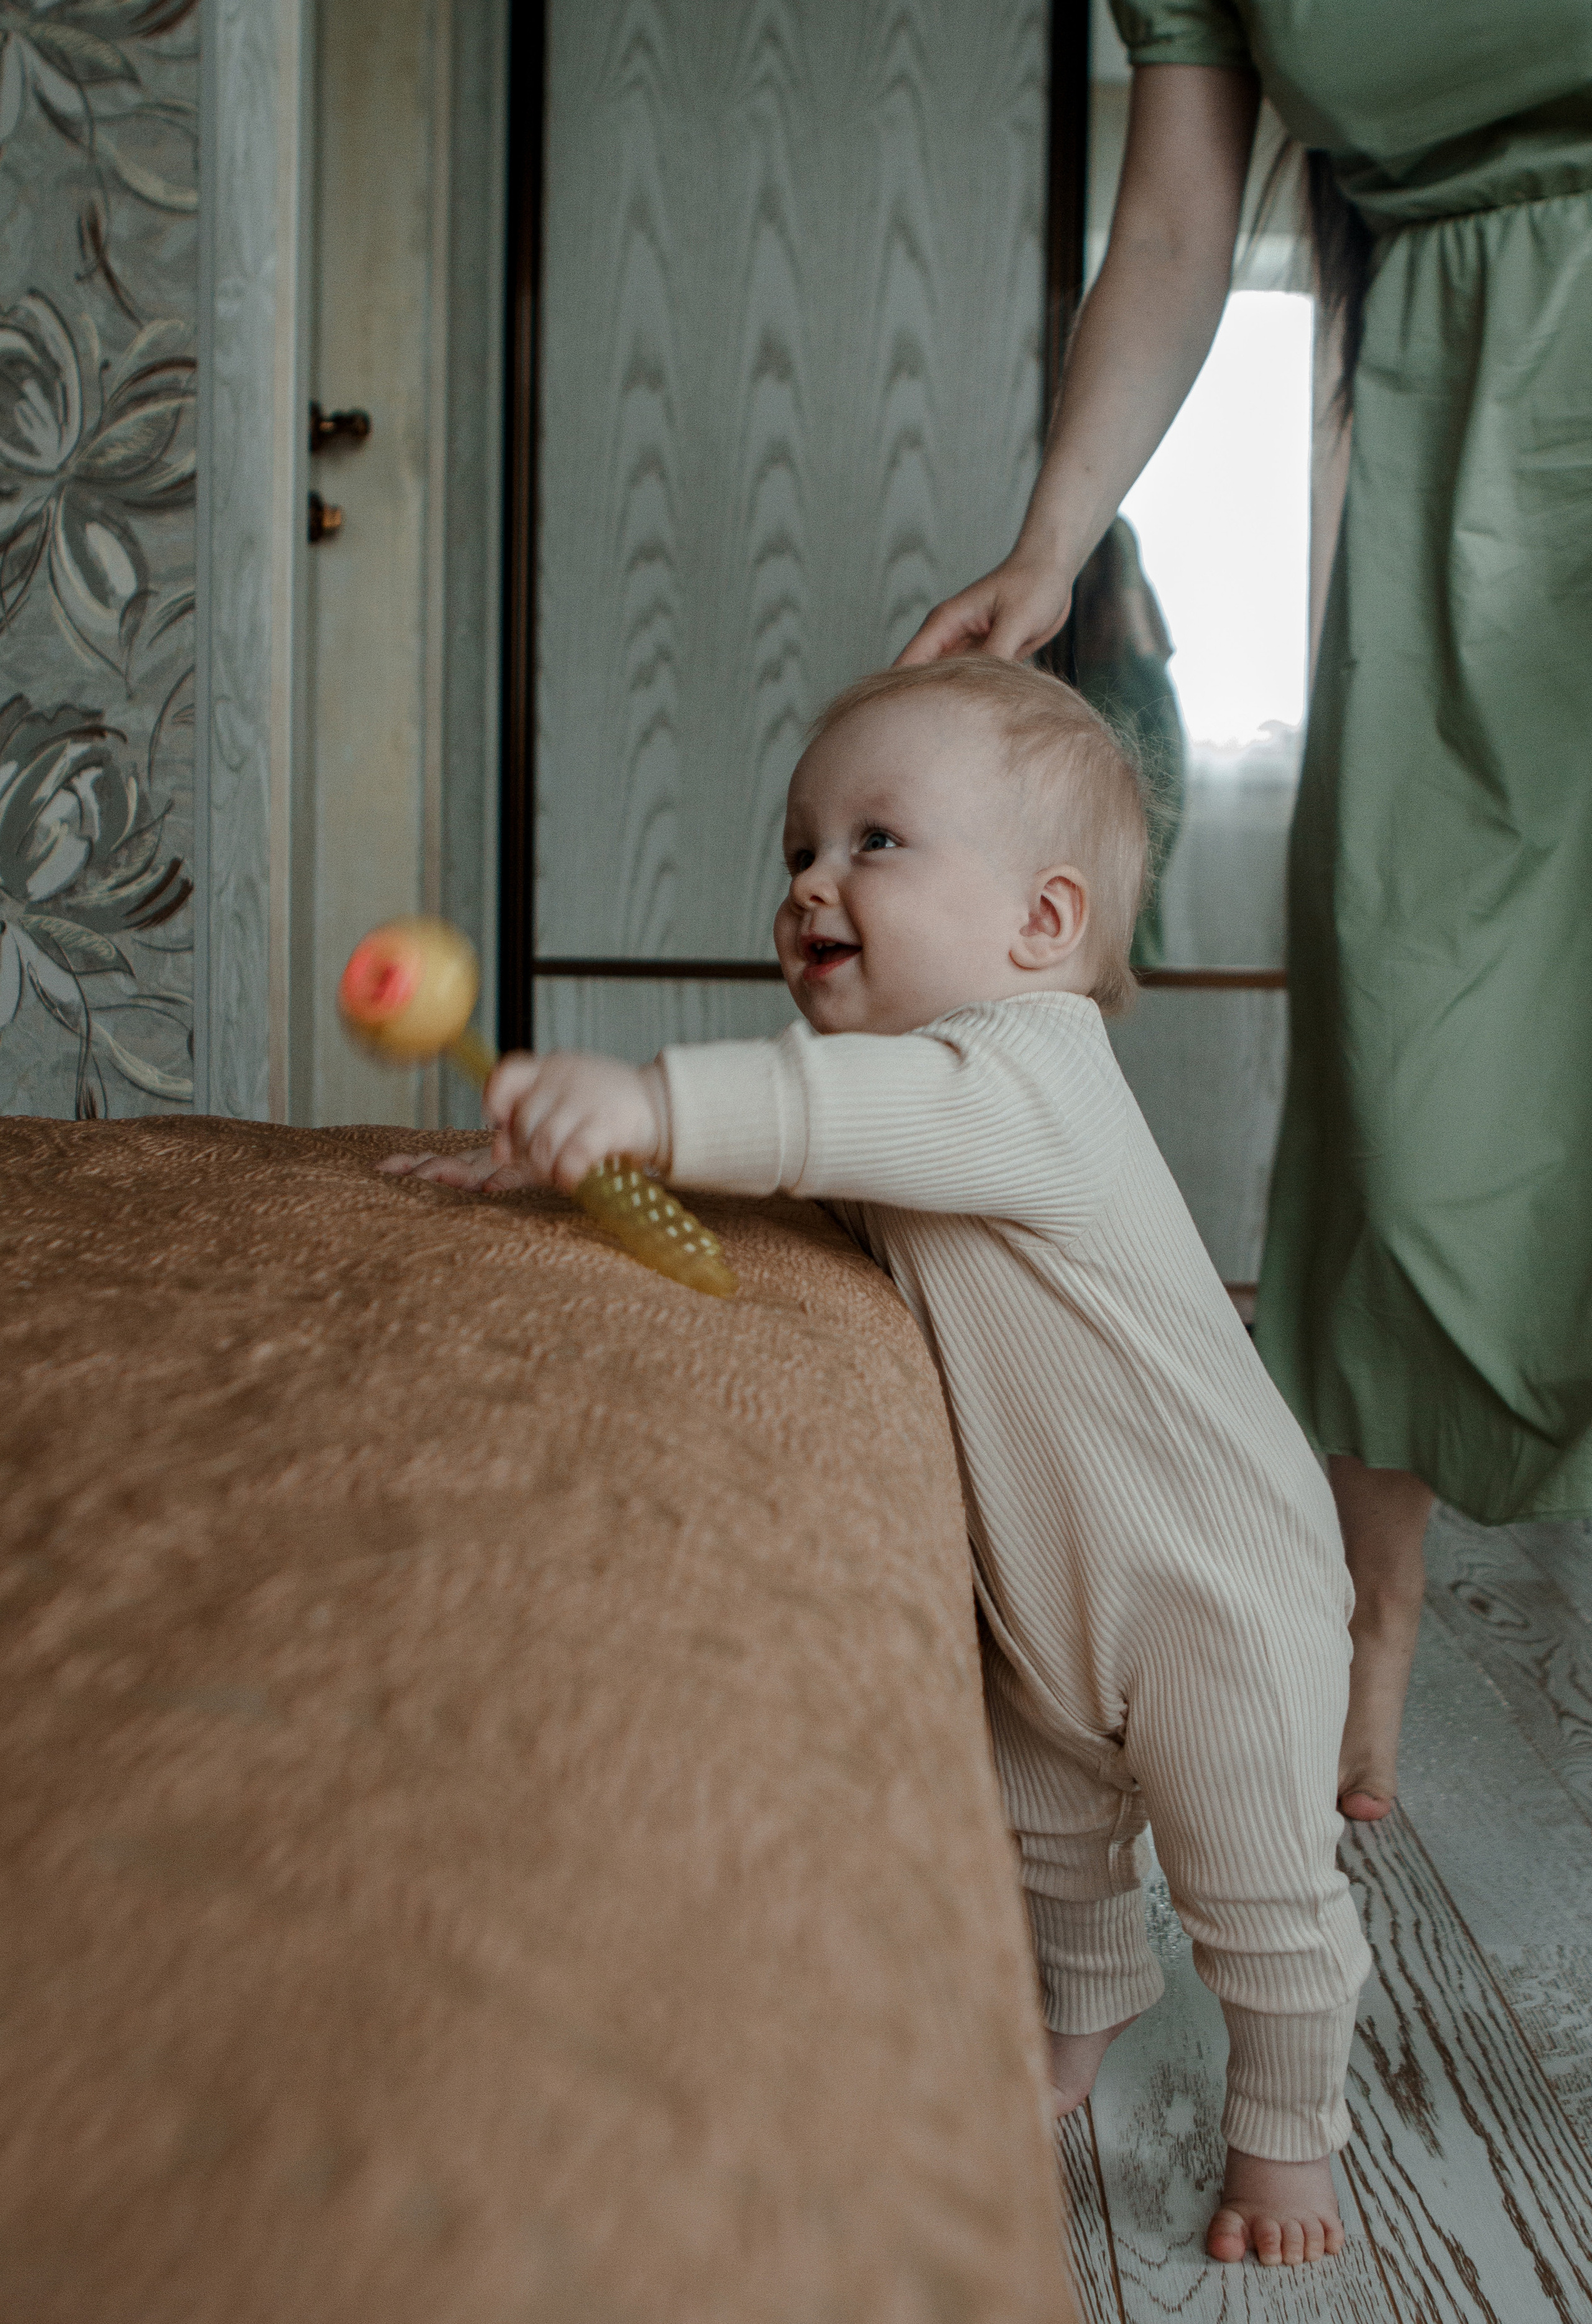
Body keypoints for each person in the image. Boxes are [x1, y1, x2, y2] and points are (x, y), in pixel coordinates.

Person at [383, 658, 1371, 2267]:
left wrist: (635, 1095)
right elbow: (811, 1176)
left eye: (877, 842)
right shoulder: (916, 1119)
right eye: (799, 848)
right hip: (1051, 1601)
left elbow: (804, 1111)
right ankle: (1080, 2028)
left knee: (1260, 1896)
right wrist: (575, 1174)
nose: (812, 882)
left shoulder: (1033, 1074)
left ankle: (1289, 2136)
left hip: (1220, 1589)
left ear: (1042, 927)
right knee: (1052, 1840)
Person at [898, 6, 1592, 1822]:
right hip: (1462, 426)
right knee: (1419, 1066)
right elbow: (1182, 227)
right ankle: (1371, 1588)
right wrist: (1055, 542)